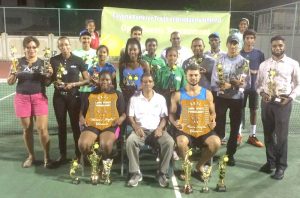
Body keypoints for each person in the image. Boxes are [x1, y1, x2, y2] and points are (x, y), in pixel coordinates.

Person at [256, 35, 300, 180]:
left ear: (284, 46)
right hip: (267, 103)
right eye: (275, 46)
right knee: (268, 134)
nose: (277, 48)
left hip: (283, 103)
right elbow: (258, 84)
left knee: (281, 136)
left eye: (280, 45)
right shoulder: (264, 65)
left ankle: (281, 166)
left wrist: (290, 98)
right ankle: (271, 163)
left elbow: (298, 84)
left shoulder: (292, 64)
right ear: (271, 47)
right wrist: (262, 93)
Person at [7, 36, 53, 168]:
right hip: (22, 98)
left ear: (37, 49)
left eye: (33, 47)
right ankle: (31, 156)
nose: (31, 49)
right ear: (24, 49)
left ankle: (47, 157)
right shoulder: (17, 62)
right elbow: (10, 82)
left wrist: (49, 75)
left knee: (42, 129)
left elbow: (47, 83)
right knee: (27, 129)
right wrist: (14, 73)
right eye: (28, 47)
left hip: (39, 98)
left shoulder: (43, 63)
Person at [169, 65, 220, 178]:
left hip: (203, 127)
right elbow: (171, 114)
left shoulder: (207, 93)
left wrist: (213, 120)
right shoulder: (177, 94)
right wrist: (174, 123)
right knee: (181, 142)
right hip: (186, 129)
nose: (193, 77)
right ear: (186, 76)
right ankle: (187, 166)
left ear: (200, 76)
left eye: (196, 75)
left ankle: (199, 165)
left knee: (216, 143)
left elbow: (213, 113)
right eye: (191, 75)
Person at [126, 72, 174, 187]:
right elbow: (130, 117)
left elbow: (164, 117)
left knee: (169, 142)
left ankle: (161, 173)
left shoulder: (160, 99)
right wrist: (136, 127)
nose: (147, 84)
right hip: (140, 130)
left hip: (156, 131)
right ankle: (136, 172)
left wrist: (160, 128)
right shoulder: (134, 99)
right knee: (130, 141)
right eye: (144, 82)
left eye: (150, 81)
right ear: (141, 83)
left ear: (153, 83)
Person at [211, 35, 250, 165]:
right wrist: (223, 85)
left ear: (239, 46)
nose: (233, 46)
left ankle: (230, 154)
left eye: (235, 44)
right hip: (221, 98)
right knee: (218, 125)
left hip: (237, 99)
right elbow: (214, 79)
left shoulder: (244, 62)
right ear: (227, 45)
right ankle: (214, 150)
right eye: (231, 44)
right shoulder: (219, 60)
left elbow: (246, 83)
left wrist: (232, 85)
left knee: (234, 127)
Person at [50, 36, 90, 165]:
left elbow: (87, 79)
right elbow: (50, 78)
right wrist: (54, 81)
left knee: (75, 126)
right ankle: (62, 155)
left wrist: (73, 84)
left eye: (66, 45)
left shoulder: (78, 60)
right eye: (61, 45)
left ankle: (79, 155)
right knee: (61, 126)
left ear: (70, 45)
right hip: (59, 98)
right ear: (59, 47)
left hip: (74, 97)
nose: (64, 47)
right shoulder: (53, 60)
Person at [78, 71, 126, 176]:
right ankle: (95, 167)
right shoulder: (90, 94)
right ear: (99, 81)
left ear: (111, 81)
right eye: (102, 79)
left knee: (106, 145)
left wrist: (120, 119)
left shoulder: (118, 94)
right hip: (93, 124)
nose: (104, 82)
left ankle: (105, 165)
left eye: (107, 79)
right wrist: (81, 118)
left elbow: (123, 113)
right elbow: (82, 112)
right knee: (83, 144)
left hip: (110, 125)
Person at [239, 29, 265, 147]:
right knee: (240, 110)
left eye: (251, 38)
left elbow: (264, 69)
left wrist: (256, 71)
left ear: (254, 40)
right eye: (247, 38)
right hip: (242, 88)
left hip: (254, 88)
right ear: (244, 39)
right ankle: (238, 134)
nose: (249, 40)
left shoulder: (259, 54)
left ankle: (252, 136)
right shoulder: (239, 53)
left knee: (253, 110)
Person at [119, 38, 149, 105]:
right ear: (127, 51)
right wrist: (126, 93)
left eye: (135, 50)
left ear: (139, 50)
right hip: (126, 97)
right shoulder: (123, 65)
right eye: (130, 50)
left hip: (141, 97)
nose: (132, 52)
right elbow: (121, 83)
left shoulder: (144, 64)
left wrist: (139, 91)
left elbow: (148, 82)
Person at [72, 30, 97, 104]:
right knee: (79, 112)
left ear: (91, 39)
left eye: (88, 38)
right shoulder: (74, 53)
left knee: (92, 113)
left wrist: (93, 80)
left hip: (93, 87)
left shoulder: (96, 52)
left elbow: (98, 68)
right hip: (79, 88)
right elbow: (73, 70)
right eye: (84, 38)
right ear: (80, 39)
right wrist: (83, 79)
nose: (86, 40)